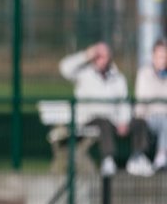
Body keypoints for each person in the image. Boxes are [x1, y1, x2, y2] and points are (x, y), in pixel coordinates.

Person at [59, 42, 145, 177]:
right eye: (97, 56)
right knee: (103, 122)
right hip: (89, 119)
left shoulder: (118, 78)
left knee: (140, 122)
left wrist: (124, 121)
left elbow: (124, 102)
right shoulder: (83, 74)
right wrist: (85, 55)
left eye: (104, 56)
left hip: (114, 121)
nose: (100, 60)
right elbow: (64, 68)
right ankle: (108, 159)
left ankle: (137, 157)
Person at [133, 38, 167, 173]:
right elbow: (143, 100)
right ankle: (161, 156)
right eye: (160, 56)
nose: (163, 60)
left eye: (165, 56)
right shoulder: (144, 74)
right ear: (153, 56)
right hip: (148, 118)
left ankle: (162, 156)